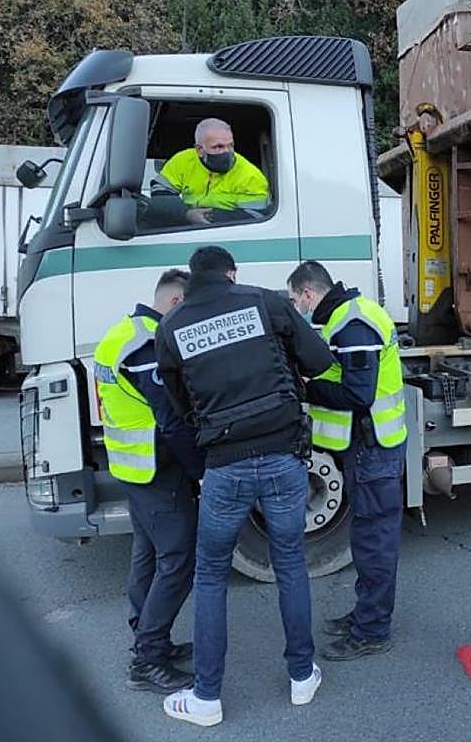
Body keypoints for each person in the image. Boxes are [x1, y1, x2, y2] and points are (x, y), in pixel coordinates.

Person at [153, 246, 334, 727]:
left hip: (225, 465)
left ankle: (206, 697)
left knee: (211, 575)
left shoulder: (170, 328)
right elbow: (317, 361)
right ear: (231, 273)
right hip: (283, 456)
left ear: (191, 280)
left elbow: (176, 406)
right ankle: (301, 676)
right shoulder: (264, 302)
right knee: (290, 562)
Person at [287, 261, 407, 662]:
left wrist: (307, 390)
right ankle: (365, 614)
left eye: (293, 299)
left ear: (307, 294)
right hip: (367, 447)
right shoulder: (343, 316)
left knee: (374, 541)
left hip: (376, 447)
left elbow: (359, 395)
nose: (294, 307)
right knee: (366, 537)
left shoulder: (352, 324)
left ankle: (372, 630)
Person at [92, 269, 204, 696]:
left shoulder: (123, 331)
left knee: (148, 554)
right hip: (157, 469)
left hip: (132, 467)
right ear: (176, 304)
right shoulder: (147, 344)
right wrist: (201, 470)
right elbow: (172, 420)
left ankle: (148, 635)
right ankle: (148, 660)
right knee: (177, 559)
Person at [159, 118, 269, 225]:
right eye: (218, 147)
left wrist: (213, 218)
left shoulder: (251, 176)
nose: (227, 152)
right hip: (182, 230)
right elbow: (160, 191)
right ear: (199, 150)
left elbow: (256, 217)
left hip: (226, 235)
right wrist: (185, 214)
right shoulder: (182, 161)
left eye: (231, 145)